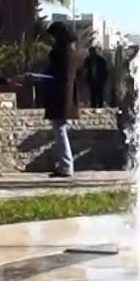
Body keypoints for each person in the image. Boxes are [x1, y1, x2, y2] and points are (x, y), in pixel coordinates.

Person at [45, 22, 81, 178]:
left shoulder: (64, 51)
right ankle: (64, 164)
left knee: (59, 129)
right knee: (59, 129)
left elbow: (60, 75)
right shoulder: (69, 50)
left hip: (60, 96)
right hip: (62, 95)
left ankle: (66, 165)